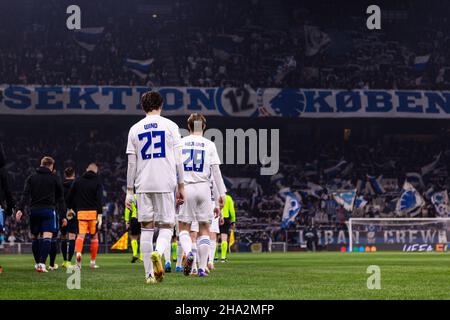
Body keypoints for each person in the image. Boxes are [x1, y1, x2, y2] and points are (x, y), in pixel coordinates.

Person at [125, 91, 185, 284]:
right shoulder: (171, 126)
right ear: (161, 105)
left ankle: (149, 275)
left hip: (142, 184)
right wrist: (181, 185)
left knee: (146, 228)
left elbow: (131, 163)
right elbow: (178, 161)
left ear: (143, 107)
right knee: (167, 226)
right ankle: (158, 253)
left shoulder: (134, 129)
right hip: (165, 182)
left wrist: (129, 191)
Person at [177, 113, 226, 277]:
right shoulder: (209, 145)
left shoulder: (180, 143)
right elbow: (216, 171)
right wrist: (222, 194)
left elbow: (174, 169)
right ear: (204, 127)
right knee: (205, 229)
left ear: (188, 126)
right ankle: (202, 268)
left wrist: (176, 190)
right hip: (205, 189)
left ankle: (189, 253)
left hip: (187, 187)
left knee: (184, 228)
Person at [16, 156, 65, 273]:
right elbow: (61, 199)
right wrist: (63, 215)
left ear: (41, 164)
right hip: (49, 210)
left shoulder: (31, 178)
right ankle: (42, 264)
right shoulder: (55, 178)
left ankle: (37, 263)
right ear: (51, 166)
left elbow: (25, 195)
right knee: (47, 238)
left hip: (34, 211)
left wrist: (20, 209)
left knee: (35, 238)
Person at [66, 163, 103, 269]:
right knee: (94, 237)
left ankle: (78, 260)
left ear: (86, 169)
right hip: (93, 213)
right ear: (96, 171)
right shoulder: (97, 181)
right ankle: (92, 262)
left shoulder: (77, 180)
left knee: (80, 236)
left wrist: (71, 208)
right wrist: (99, 214)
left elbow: (70, 196)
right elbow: (99, 199)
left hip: (81, 213)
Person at [60, 167, 77, 269]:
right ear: (74, 174)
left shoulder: (60, 185)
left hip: (62, 213)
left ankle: (64, 260)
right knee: (72, 237)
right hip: (73, 213)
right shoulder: (76, 185)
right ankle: (68, 262)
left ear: (64, 175)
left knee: (63, 236)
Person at [218, 194, 236, 262]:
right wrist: (233, 221)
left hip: (216, 217)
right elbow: (232, 210)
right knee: (224, 238)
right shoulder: (228, 198)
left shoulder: (215, 196)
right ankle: (223, 257)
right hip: (225, 218)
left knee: (214, 238)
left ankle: (215, 257)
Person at [124, 193, 142, 263]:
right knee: (143, 237)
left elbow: (127, 209)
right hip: (143, 218)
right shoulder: (143, 195)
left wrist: (127, 221)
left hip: (134, 218)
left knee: (134, 237)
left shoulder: (131, 197)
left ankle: (134, 254)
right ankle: (142, 256)